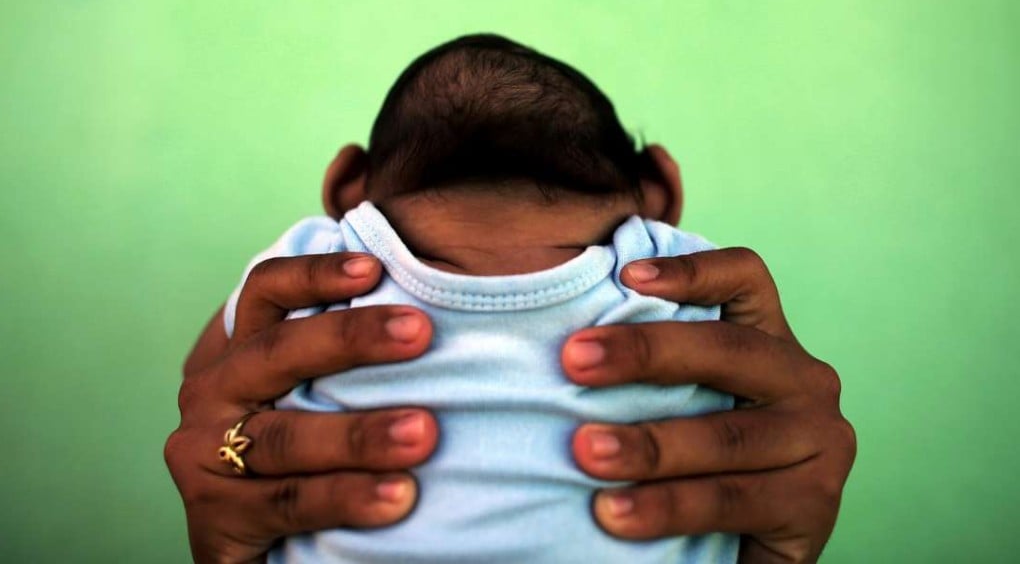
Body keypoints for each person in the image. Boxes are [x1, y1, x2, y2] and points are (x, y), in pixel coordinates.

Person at [166, 37, 857, 564]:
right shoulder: (680, 272)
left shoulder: (313, 259)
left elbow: (206, 385)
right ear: (661, 193)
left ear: (350, 186)